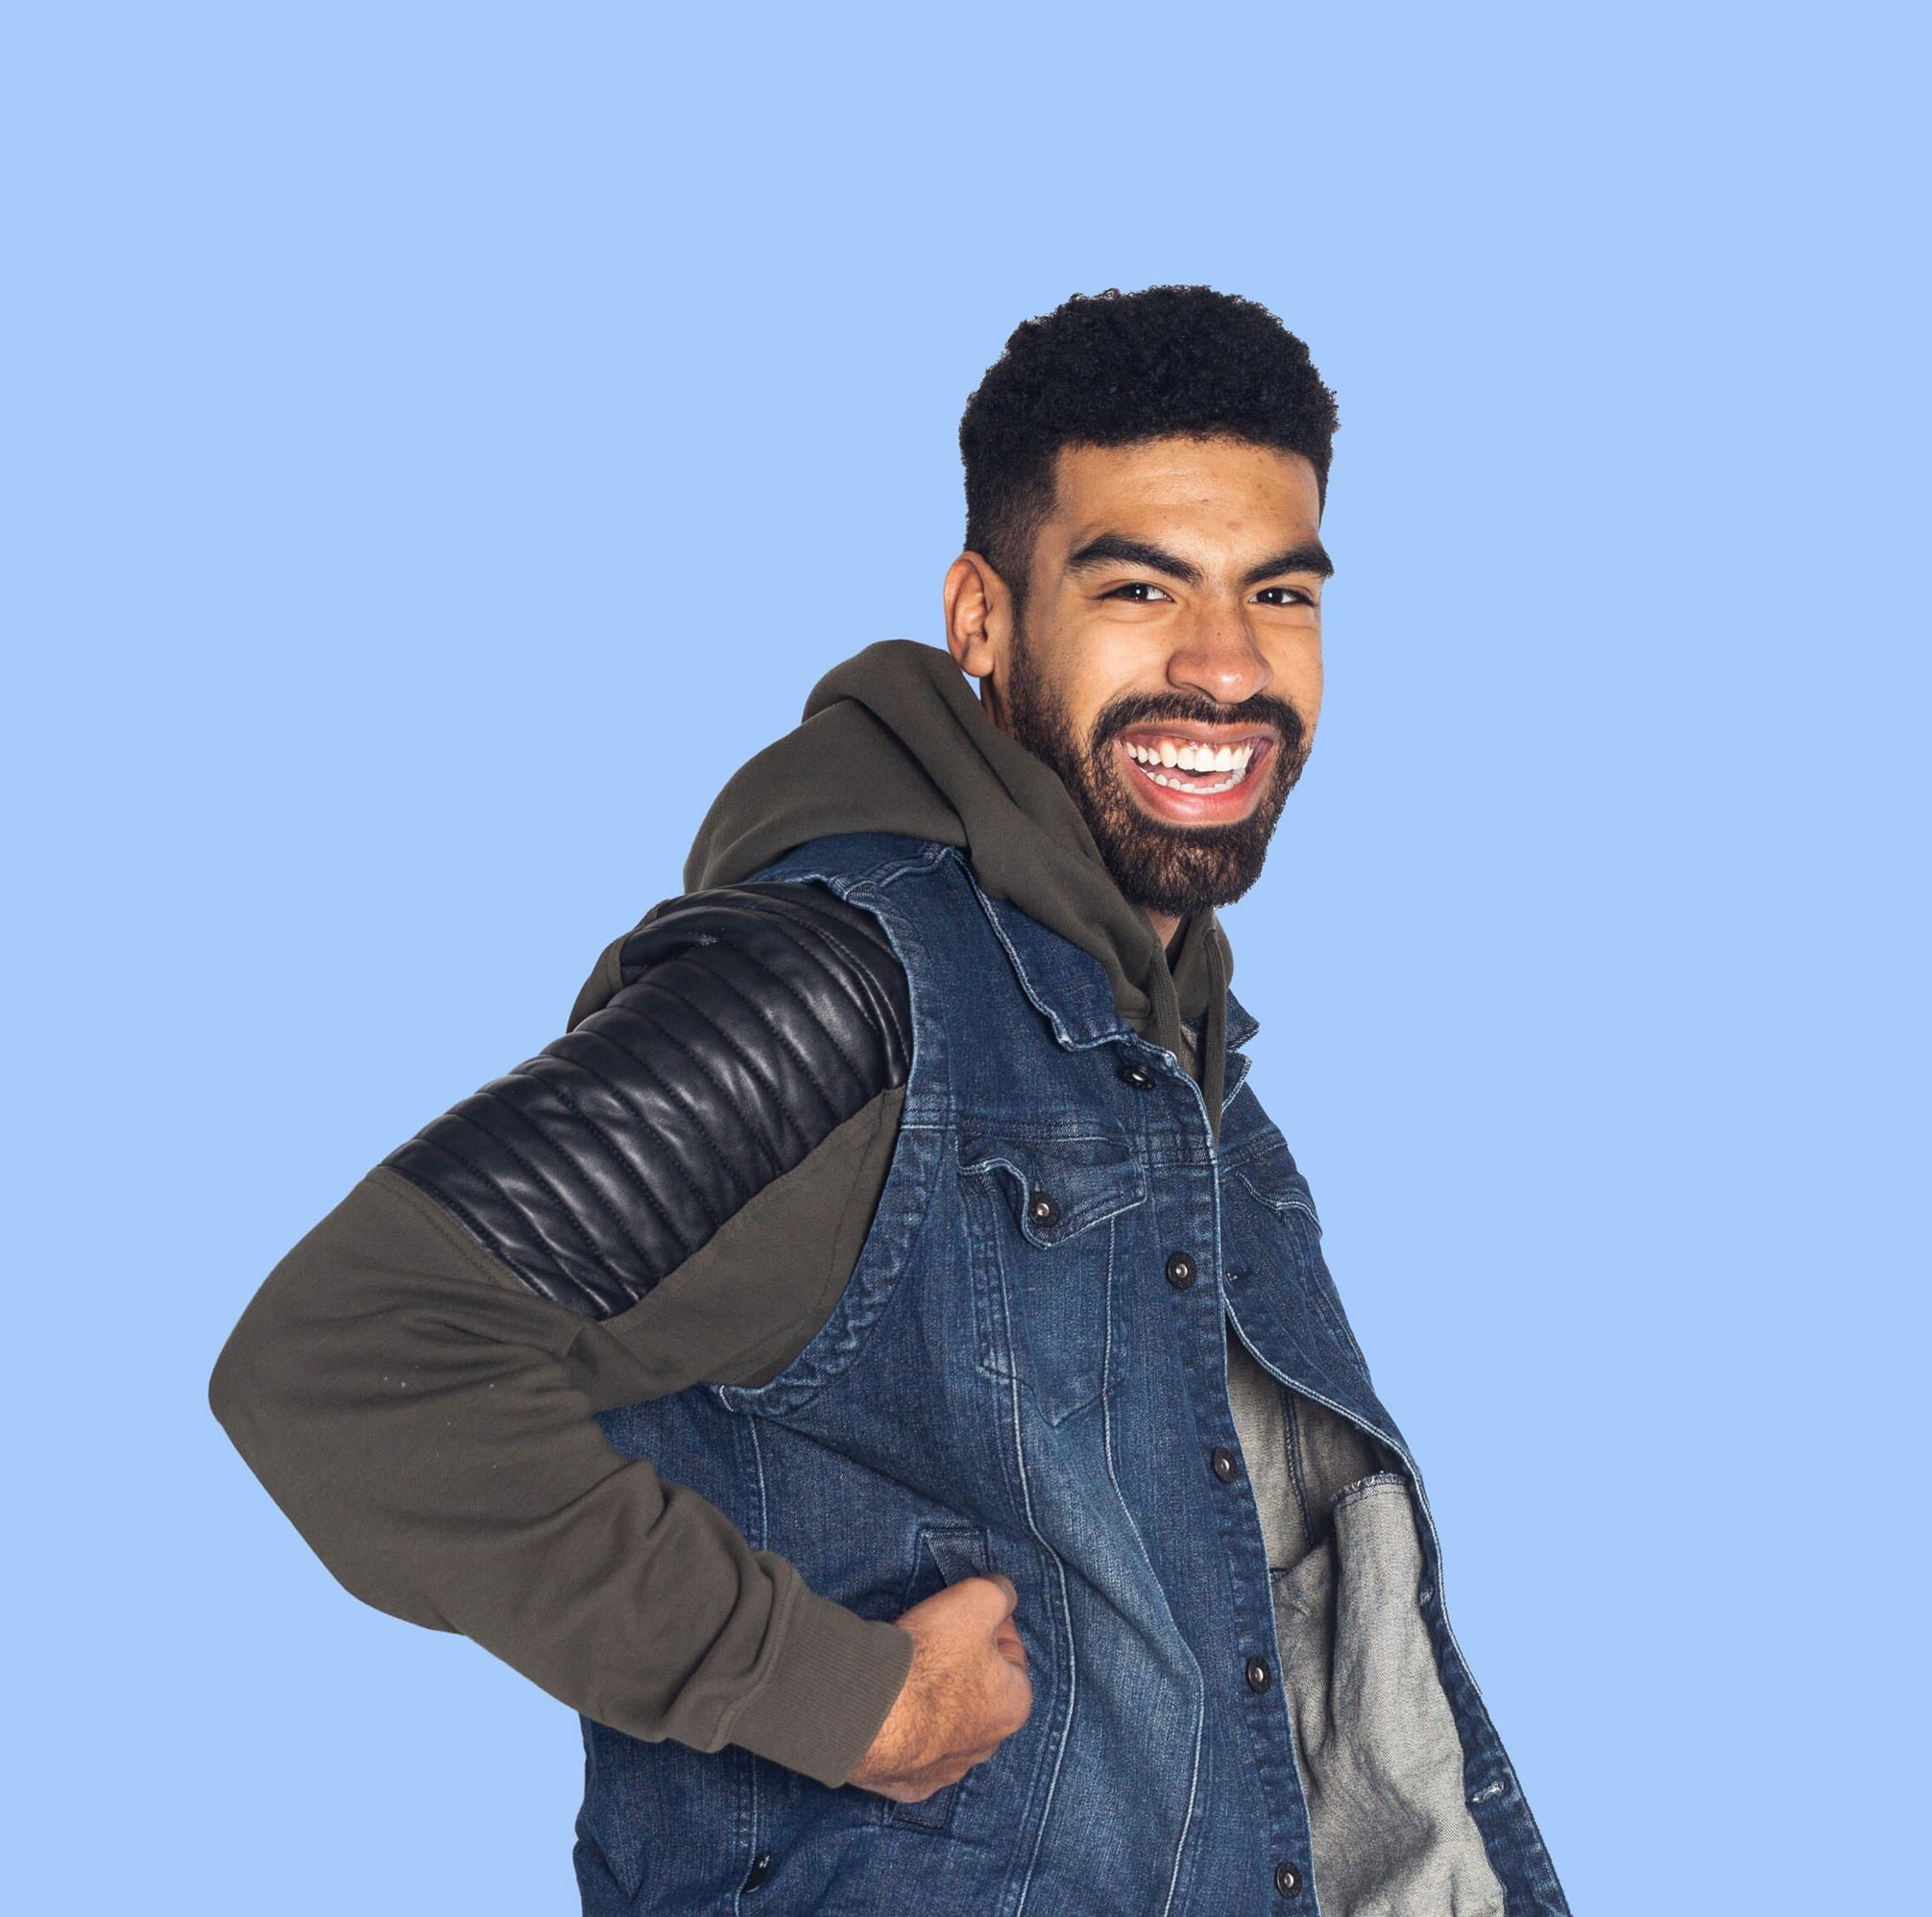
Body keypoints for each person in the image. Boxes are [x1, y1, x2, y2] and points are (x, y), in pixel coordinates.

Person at [210, 286, 1571, 1916]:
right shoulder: (838, 992)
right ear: (983, 622)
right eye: (1139, 587)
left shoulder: (1174, 1058)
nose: (1226, 666)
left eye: (1277, 594)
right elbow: (346, 1363)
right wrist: (837, 1696)